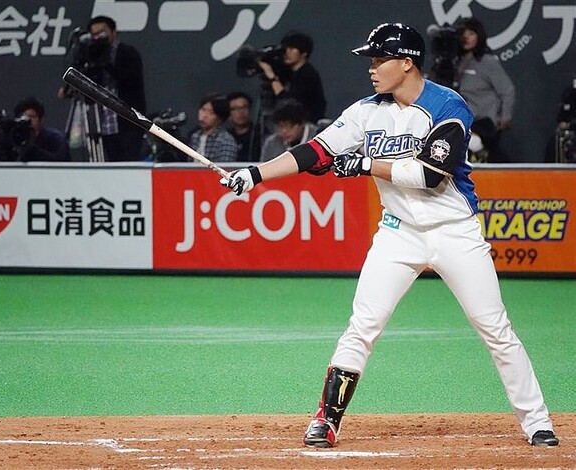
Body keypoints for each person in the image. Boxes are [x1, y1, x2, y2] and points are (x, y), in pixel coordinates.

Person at [220, 23, 558, 448]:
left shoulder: (447, 105)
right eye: (372, 60)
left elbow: (431, 175)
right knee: (363, 325)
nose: (372, 68)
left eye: (380, 60)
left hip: (455, 232)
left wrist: (365, 165)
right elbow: (315, 151)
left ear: (407, 63)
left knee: (494, 327)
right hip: (398, 234)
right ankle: (326, 420)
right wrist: (256, 175)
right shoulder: (366, 111)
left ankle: (537, 421)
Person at [60, 15, 146, 161]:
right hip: (104, 123)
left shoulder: (127, 53)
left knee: (128, 162)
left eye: (102, 32)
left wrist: (105, 63)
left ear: (114, 32)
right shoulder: (91, 54)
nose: (98, 37)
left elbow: (129, 80)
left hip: (128, 123)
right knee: (109, 164)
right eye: (94, 34)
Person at [456, 17, 515, 163]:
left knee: (471, 141)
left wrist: (505, 118)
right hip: (463, 119)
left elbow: (507, 90)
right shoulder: (457, 62)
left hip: (484, 122)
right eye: (463, 33)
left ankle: (484, 154)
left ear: (479, 36)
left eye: (471, 33)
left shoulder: (487, 61)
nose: (466, 37)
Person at [258, 30, 327, 123]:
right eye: (286, 48)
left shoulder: (307, 74)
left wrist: (272, 77)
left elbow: (289, 103)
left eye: (292, 48)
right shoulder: (291, 73)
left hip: (308, 125)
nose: (287, 52)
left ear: (304, 53)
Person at [13, 96, 70, 162]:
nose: (27, 121)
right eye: (23, 118)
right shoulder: (14, 139)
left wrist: (33, 151)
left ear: (41, 119)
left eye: (31, 116)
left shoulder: (56, 138)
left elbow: (62, 163)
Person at [188, 93, 239, 162]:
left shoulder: (226, 140)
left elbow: (224, 167)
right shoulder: (195, 136)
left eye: (211, 113)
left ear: (220, 118)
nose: (204, 115)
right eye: (203, 110)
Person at [226, 91, 261, 162]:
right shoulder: (226, 137)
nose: (241, 112)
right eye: (235, 108)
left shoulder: (260, 133)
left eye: (244, 107)